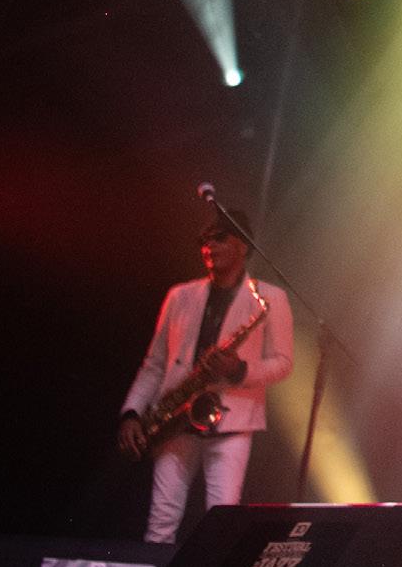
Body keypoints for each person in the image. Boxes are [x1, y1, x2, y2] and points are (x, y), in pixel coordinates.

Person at [117, 210, 294, 544]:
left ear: (242, 245)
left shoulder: (271, 298)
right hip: (176, 419)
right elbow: (155, 364)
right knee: (161, 522)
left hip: (232, 422)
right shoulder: (180, 295)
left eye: (219, 238)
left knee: (220, 524)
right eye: (204, 240)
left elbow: (284, 363)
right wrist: (131, 413)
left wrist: (239, 369)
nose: (209, 246)